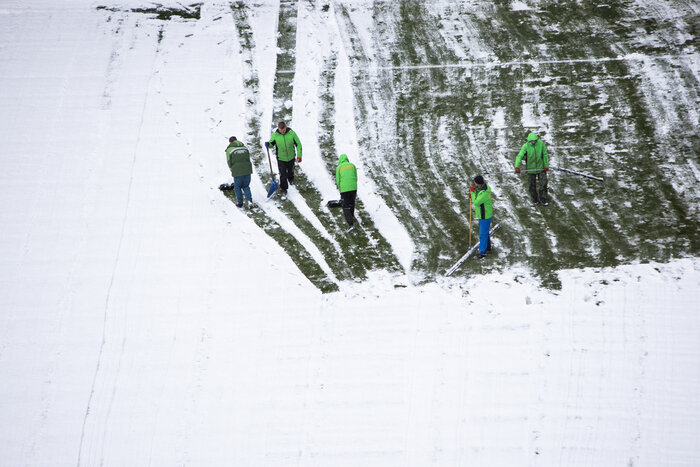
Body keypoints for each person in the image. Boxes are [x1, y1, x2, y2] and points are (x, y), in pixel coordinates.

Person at [266, 121, 302, 198]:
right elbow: (271, 144)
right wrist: (268, 144)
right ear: (278, 128)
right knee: (282, 174)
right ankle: (284, 189)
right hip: (281, 158)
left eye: (284, 130)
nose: (282, 132)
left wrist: (299, 155)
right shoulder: (275, 135)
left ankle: (291, 178)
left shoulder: (291, 133)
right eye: (281, 130)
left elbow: (298, 144)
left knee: (290, 170)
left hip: (291, 157)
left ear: (286, 127)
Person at [515, 132, 550, 205]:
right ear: (529, 141)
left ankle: (543, 198)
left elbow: (545, 155)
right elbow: (519, 156)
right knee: (531, 185)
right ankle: (534, 199)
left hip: (541, 168)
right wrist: (517, 166)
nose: (533, 142)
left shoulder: (541, 144)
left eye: (534, 141)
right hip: (530, 169)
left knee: (543, 184)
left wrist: (546, 166)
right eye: (531, 141)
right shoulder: (525, 146)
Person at [225, 136, 254, 209]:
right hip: (247, 170)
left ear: (230, 142)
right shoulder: (244, 148)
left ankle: (240, 203)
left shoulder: (229, 149)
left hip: (237, 171)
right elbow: (248, 158)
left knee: (237, 187)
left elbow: (229, 161)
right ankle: (249, 201)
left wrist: (232, 169)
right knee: (246, 186)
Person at [470, 175, 492, 259]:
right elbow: (478, 193)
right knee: (485, 231)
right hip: (486, 214)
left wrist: (472, 193)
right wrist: (474, 192)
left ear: (477, 183)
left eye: (475, 182)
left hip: (484, 215)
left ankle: (482, 252)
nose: (474, 184)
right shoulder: (484, 188)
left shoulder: (484, 193)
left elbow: (476, 202)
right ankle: (488, 247)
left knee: (482, 234)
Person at [336, 154, 357, 232]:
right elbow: (355, 177)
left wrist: (339, 188)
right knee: (352, 203)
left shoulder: (339, 168)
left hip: (345, 189)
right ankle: (351, 217)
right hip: (353, 188)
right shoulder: (352, 166)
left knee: (345, 206)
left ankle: (350, 224)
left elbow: (338, 180)